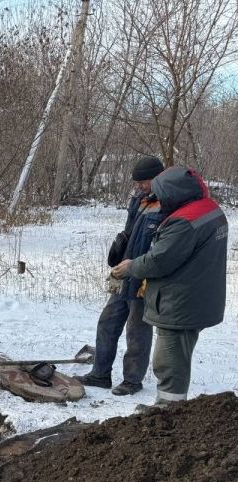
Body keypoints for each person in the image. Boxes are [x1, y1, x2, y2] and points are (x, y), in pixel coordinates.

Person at [111, 166, 228, 406]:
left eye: (161, 194)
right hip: (198, 297)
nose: (159, 200)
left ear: (175, 193)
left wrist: (130, 267)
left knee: (169, 361)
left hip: (181, 302)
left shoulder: (184, 222)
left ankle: (167, 412)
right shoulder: (210, 210)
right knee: (178, 357)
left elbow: (159, 261)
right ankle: (170, 410)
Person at [78, 155, 165, 396]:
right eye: (136, 182)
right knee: (108, 320)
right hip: (125, 271)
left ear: (158, 178)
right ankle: (100, 374)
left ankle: (132, 380)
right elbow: (130, 230)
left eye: (143, 182)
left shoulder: (169, 203)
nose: (138, 186)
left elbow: (165, 246)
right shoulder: (139, 198)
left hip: (145, 275)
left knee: (137, 328)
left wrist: (142, 266)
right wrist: (119, 250)